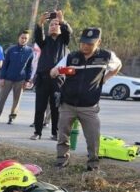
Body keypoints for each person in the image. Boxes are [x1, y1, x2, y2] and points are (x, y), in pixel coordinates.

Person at [50, 28, 122, 171]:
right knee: (63, 134)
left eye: (90, 44)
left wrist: (105, 79)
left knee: (93, 137)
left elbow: (118, 66)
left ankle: (92, 164)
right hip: (68, 104)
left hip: (89, 106)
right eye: (83, 43)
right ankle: (61, 160)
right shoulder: (71, 57)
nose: (85, 46)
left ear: (98, 42)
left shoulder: (106, 56)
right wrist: (57, 71)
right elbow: (53, 72)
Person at [30, 10, 71, 141]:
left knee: (56, 108)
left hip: (58, 79)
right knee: (40, 107)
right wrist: (40, 23)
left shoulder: (63, 40)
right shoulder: (44, 41)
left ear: (60, 27)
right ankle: (37, 132)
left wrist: (62, 20)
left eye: (56, 24)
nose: (53, 26)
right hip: (42, 78)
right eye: (51, 24)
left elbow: (68, 32)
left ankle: (55, 133)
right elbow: (37, 36)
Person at [0, 30, 33, 125]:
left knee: (17, 100)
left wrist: (27, 80)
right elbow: (5, 65)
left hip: (20, 79)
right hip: (8, 78)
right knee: (1, 98)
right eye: (22, 37)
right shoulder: (11, 49)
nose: (23, 40)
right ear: (18, 38)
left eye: (26, 38)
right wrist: (2, 78)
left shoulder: (29, 51)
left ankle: (12, 117)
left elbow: (29, 67)